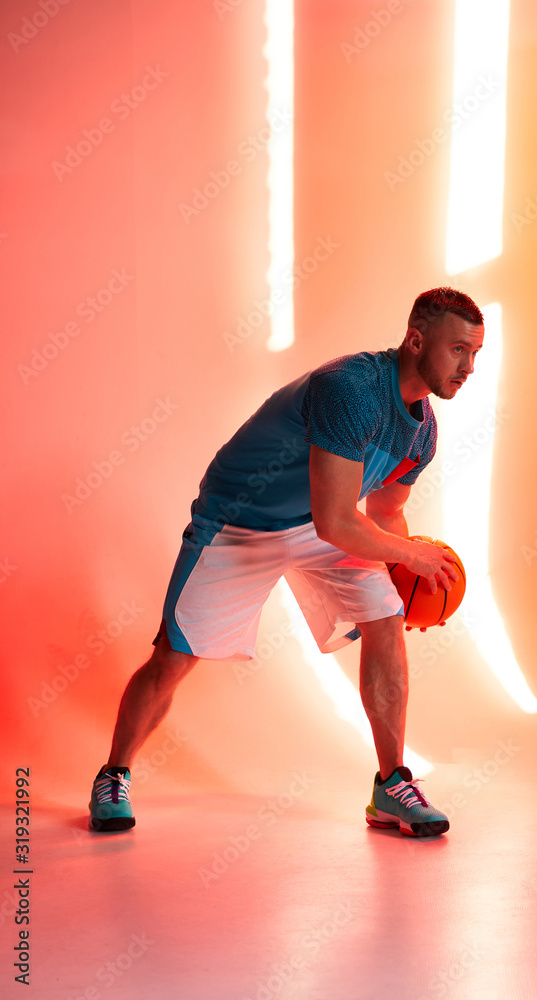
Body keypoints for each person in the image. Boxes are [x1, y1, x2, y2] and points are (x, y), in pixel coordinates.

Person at [89, 286, 485, 837]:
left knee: (385, 618)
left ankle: (392, 785)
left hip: (325, 520)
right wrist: (409, 556)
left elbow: (387, 512)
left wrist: (404, 581)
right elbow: (339, 524)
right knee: (173, 658)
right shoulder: (349, 390)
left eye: (475, 354)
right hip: (238, 523)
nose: (468, 367)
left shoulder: (423, 432)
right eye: (458, 350)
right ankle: (114, 774)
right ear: (417, 340)